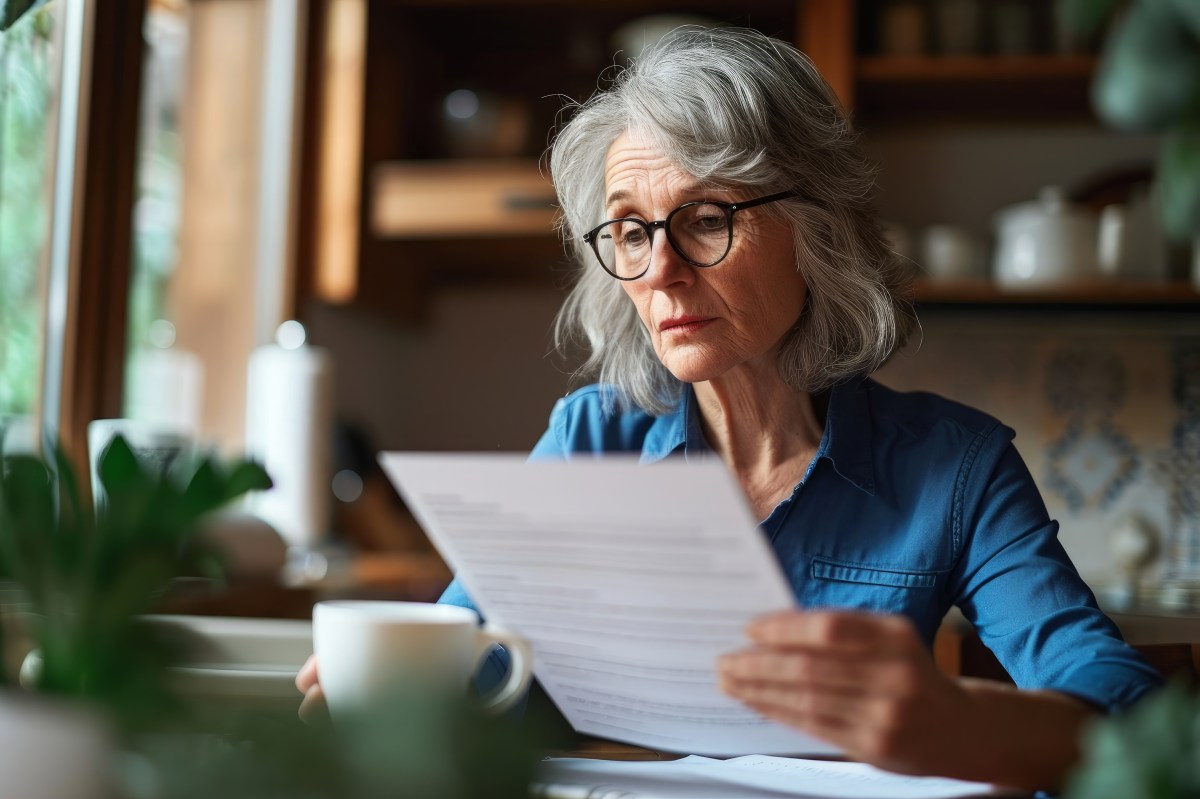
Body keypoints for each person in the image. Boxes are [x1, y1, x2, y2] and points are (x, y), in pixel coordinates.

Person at [298, 25, 1162, 791]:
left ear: (816, 229)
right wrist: (387, 689)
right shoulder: (592, 440)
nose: (661, 269)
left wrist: (956, 721)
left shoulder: (954, 467)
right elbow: (463, 653)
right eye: (632, 231)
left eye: (705, 218)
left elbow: (1124, 705)